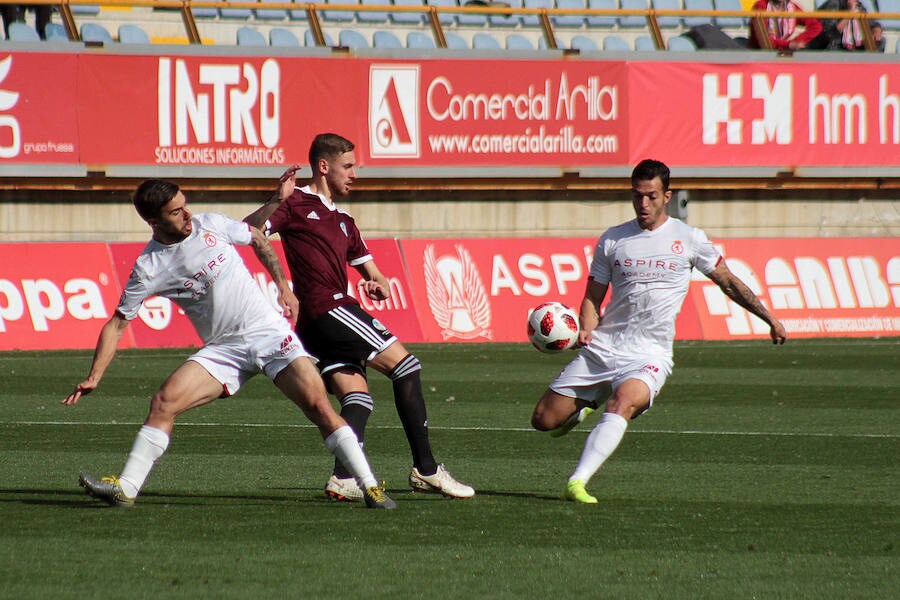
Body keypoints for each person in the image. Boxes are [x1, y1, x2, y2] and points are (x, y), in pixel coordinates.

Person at [63, 179, 395, 509]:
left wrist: (283, 285)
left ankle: (370, 487)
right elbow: (117, 323)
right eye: (176, 212)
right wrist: (94, 375)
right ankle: (127, 488)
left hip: (269, 334)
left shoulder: (211, 224)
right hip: (224, 350)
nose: (187, 214)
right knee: (164, 402)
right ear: (154, 221)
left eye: (185, 204)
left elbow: (256, 237)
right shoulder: (149, 268)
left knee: (319, 408)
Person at [530, 159, 787, 504]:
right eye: (637, 196)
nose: (643, 204)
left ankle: (577, 481)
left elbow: (728, 282)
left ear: (667, 195)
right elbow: (593, 297)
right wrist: (587, 330)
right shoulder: (613, 240)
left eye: (651, 196)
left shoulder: (689, 239)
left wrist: (768, 317)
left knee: (622, 402)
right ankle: (583, 406)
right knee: (543, 421)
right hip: (604, 349)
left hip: (649, 355)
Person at [244, 133, 474, 502]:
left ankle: (344, 477)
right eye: (347, 166)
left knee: (358, 398)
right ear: (324, 166)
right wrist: (276, 202)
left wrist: (376, 284)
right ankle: (427, 469)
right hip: (327, 308)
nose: (354, 174)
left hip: (327, 316)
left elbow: (374, 274)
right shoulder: (297, 202)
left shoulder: (345, 220)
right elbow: (250, 232)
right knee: (407, 367)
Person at [808, 0, 885, 51]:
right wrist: (850, 14)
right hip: (833, 48)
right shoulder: (833, 5)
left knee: (881, 41)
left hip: (852, 48)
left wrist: (876, 30)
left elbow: (872, 23)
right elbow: (830, 35)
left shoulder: (859, 6)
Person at [747, 0, 823, 50]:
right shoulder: (761, 6)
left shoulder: (793, 7)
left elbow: (816, 26)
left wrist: (797, 41)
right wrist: (788, 45)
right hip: (759, 53)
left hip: (781, 53)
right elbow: (764, 41)